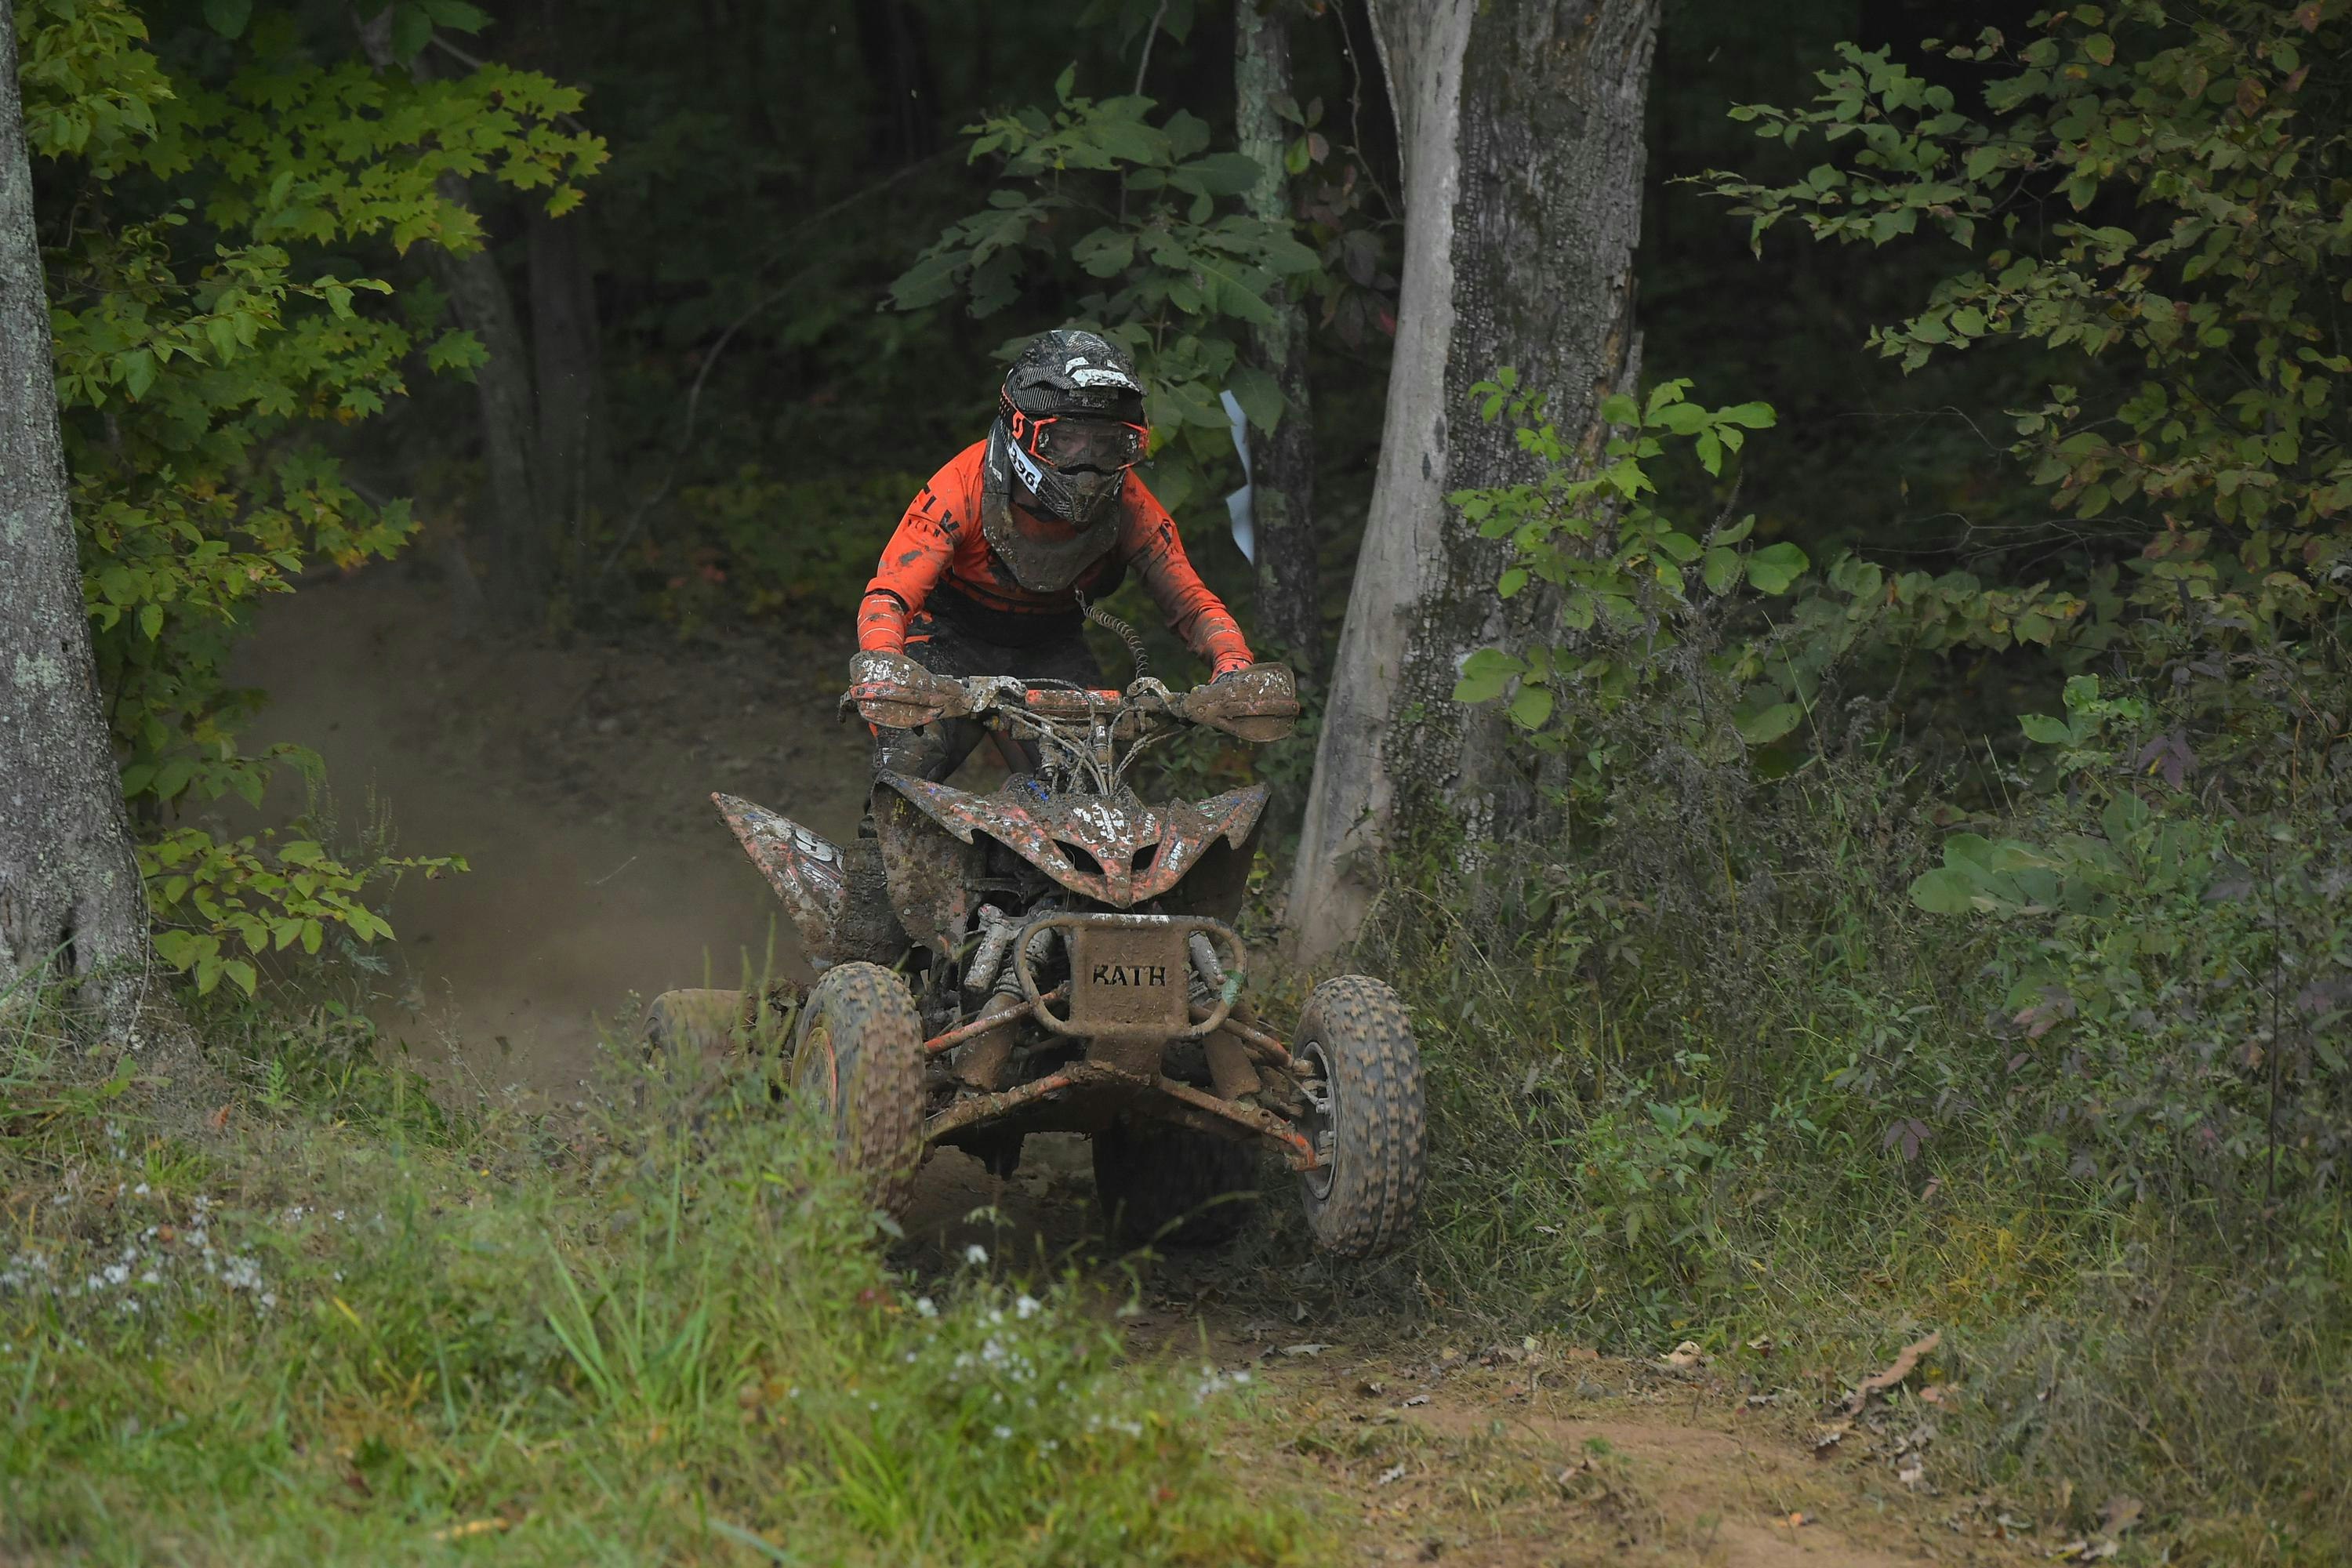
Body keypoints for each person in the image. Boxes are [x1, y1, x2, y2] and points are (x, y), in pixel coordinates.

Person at [849, 328, 1256, 782]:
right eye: (1065, 442)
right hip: (946, 637)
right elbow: (891, 594)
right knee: (908, 758)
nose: (1087, 466)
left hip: (1049, 647)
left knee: (1089, 784)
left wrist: (1233, 668)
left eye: (1107, 446)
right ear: (1022, 431)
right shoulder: (961, 487)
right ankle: (880, 849)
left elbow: (1191, 601)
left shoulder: (1131, 505)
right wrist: (886, 664)